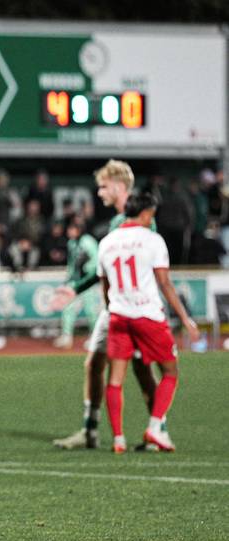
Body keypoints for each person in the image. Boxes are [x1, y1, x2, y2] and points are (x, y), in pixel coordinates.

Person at [51, 160, 161, 451]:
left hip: (133, 308)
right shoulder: (116, 221)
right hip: (115, 308)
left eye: (102, 186)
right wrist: (75, 288)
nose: (99, 192)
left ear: (117, 185)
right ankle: (90, 430)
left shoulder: (139, 218)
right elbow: (101, 269)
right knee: (94, 363)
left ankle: (157, 429)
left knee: (141, 369)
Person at [97, 193, 199, 452]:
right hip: (147, 315)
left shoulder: (107, 242)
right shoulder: (153, 240)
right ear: (146, 213)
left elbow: (105, 286)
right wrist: (186, 318)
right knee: (170, 371)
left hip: (119, 315)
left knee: (115, 379)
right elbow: (164, 282)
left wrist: (113, 310)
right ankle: (155, 428)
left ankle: (118, 439)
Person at [54, 215, 100, 349]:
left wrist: (87, 268)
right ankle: (66, 336)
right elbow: (72, 264)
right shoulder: (72, 243)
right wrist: (68, 278)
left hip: (87, 281)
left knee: (91, 310)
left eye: (72, 229)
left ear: (79, 230)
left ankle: (95, 337)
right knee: (68, 308)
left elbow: (96, 260)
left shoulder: (88, 242)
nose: (69, 232)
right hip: (74, 281)